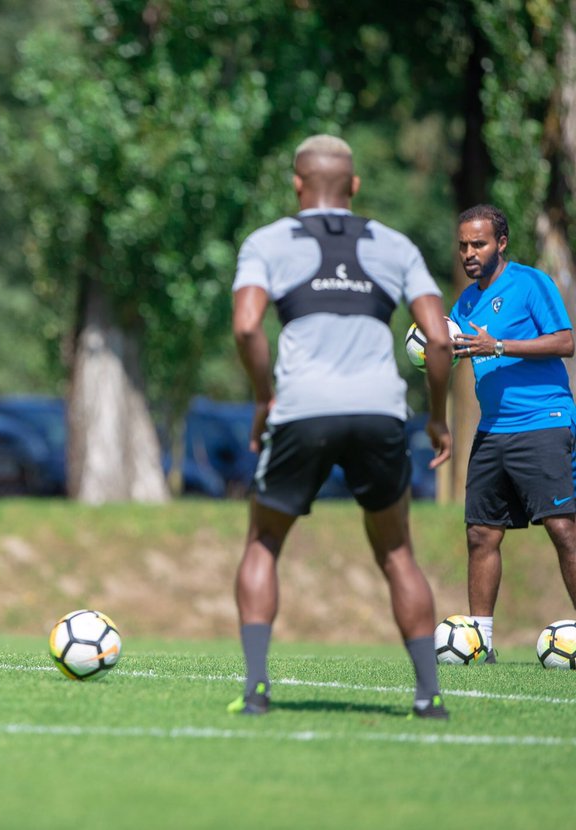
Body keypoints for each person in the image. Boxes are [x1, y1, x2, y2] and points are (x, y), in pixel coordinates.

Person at [229, 135, 453, 718]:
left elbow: (248, 325)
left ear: (297, 185)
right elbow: (440, 338)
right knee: (398, 551)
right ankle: (429, 697)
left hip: (302, 407)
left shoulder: (268, 242)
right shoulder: (395, 244)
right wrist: (438, 418)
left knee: (264, 541)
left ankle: (257, 691)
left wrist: (263, 397)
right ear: (354, 186)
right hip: (379, 408)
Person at [450, 204, 576, 661]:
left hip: (542, 422)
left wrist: (498, 345)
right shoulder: (463, 304)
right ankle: (481, 643)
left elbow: (565, 341)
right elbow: (453, 350)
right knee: (481, 534)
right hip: (491, 431)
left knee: (564, 527)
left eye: (478, 243)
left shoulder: (530, 283)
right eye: (463, 245)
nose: (469, 253)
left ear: (500, 243)